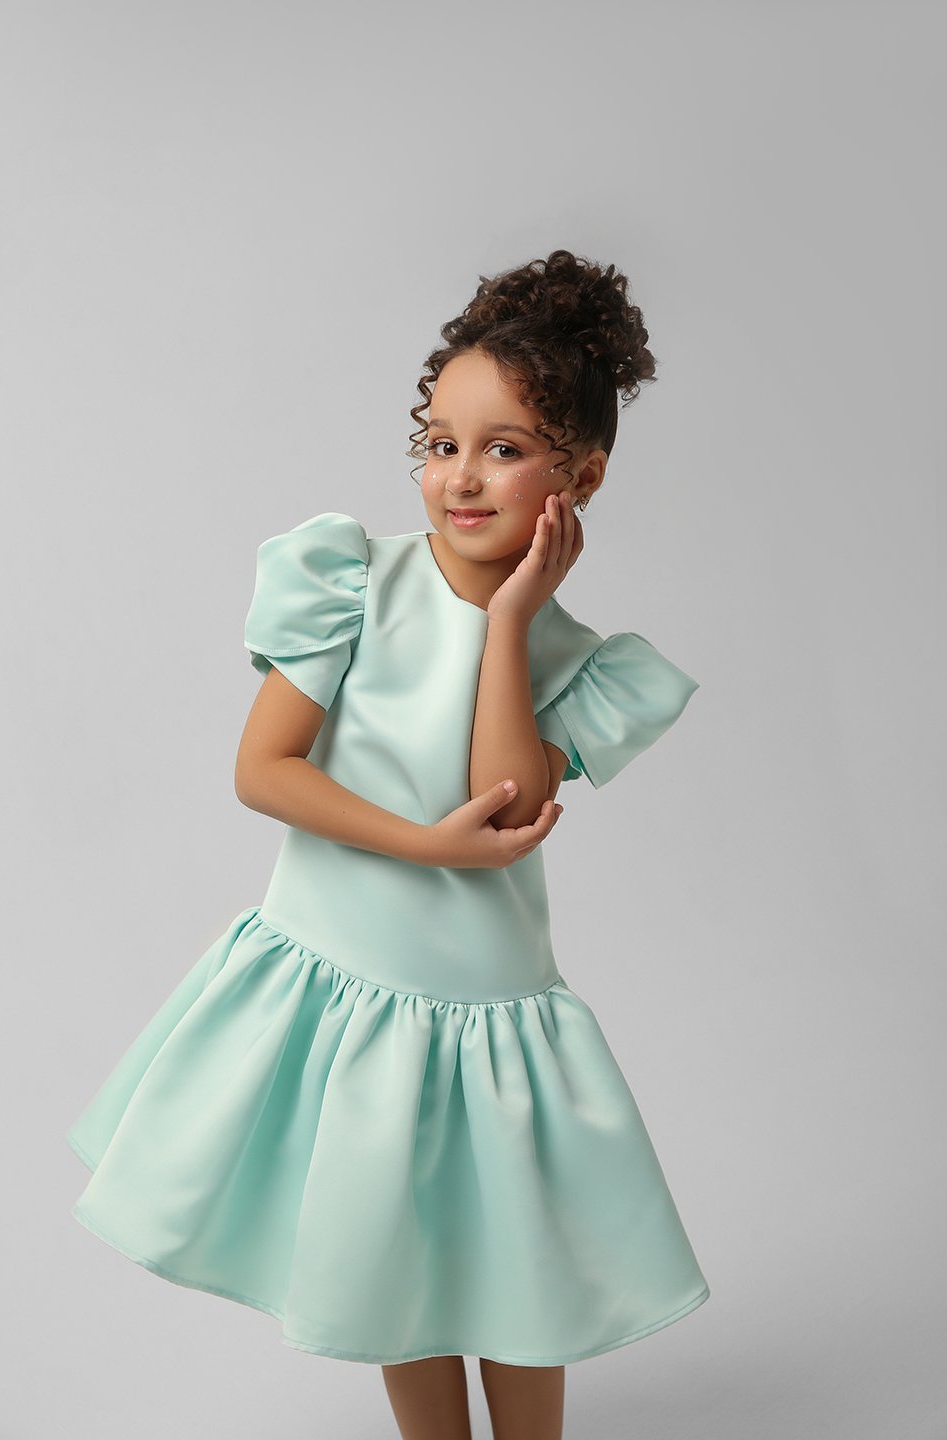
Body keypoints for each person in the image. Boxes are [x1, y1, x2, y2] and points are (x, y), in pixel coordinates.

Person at [65, 248, 710, 1440]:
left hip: (483, 1005)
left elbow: (502, 804)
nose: (460, 476)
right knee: (393, 1270)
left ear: (581, 475)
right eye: (440, 441)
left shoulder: (575, 660)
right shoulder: (351, 584)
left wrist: (509, 623)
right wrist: (420, 849)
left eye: (504, 449)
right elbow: (265, 770)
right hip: (351, 980)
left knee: (513, 1275)